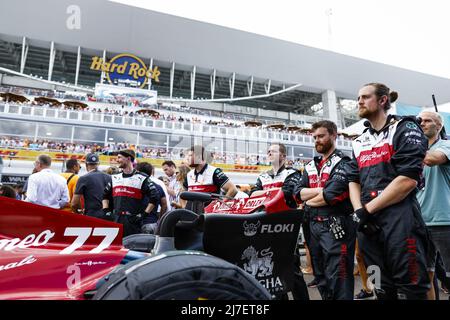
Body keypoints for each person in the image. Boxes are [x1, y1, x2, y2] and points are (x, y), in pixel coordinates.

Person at [346, 83, 430, 300]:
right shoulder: (359, 140)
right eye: (358, 98)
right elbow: (353, 179)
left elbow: (407, 180)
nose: (360, 102)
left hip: (400, 218)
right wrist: (359, 212)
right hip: (367, 221)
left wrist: (367, 211)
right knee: (380, 285)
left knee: (412, 287)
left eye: (365, 97)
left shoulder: (405, 128)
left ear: (383, 100)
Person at [293, 120, 356, 300]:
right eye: (314, 137)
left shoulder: (345, 162)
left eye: (321, 136)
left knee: (340, 277)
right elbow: (296, 193)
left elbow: (332, 195)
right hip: (312, 225)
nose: (317, 141)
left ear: (333, 136)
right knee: (320, 276)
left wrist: (310, 198)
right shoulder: (310, 165)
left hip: (337, 225)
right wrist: (320, 191)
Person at [250, 142, 310, 300]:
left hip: (287, 226)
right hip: (266, 226)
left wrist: (265, 193)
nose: (269, 153)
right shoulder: (262, 175)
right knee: (273, 270)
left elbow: (288, 193)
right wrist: (273, 192)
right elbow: (252, 194)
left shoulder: (293, 173)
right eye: (268, 151)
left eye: (274, 151)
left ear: (283, 156)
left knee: (293, 269)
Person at [417, 110, 450, 299]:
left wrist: (411, 144)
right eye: (419, 120)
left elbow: (431, 160)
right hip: (420, 221)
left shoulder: (445, 145)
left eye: (427, 120)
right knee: (424, 277)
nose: (421, 123)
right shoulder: (414, 152)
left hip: (444, 220)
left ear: (439, 126)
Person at [102, 149, 160, 236]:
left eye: (119, 157)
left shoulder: (142, 178)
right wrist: (106, 211)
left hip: (133, 222)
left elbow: (155, 197)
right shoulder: (114, 177)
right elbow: (105, 196)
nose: (117, 160)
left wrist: (143, 214)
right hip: (116, 220)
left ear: (128, 158)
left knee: (131, 248)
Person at [183, 145, 238, 213]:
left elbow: (233, 190)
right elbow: (183, 194)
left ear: (199, 157)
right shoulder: (189, 174)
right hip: (191, 217)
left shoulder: (214, 172)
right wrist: (184, 208)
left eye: (190, 155)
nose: (187, 158)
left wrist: (218, 207)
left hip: (208, 218)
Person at [71, 153, 110, 219]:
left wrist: (78, 213)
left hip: (91, 216)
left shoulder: (83, 178)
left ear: (86, 164)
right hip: (108, 215)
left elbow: (74, 203)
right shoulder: (109, 177)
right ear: (98, 164)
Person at [136, 162, 167, 234]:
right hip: (153, 223)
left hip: (140, 223)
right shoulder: (157, 186)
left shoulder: (136, 186)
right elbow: (164, 204)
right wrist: (159, 220)